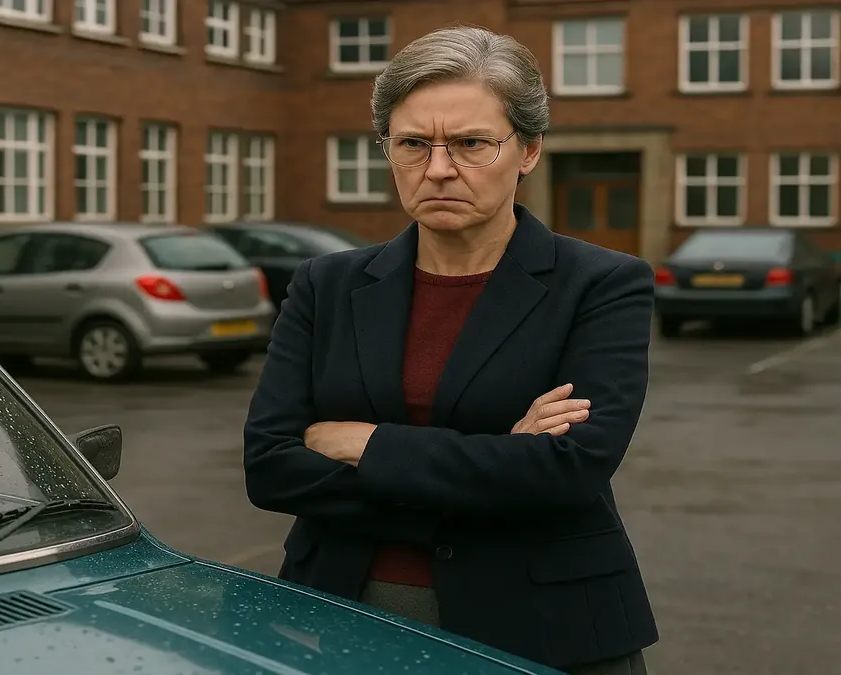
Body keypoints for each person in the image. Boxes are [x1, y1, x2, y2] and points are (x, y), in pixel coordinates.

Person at [242, 25, 658, 675]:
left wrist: (365, 443)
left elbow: (568, 470)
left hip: (546, 627)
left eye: (470, 143)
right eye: (413, 143)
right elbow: (270, 466)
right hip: (342, 613)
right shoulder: (326, 284)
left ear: (528, 150)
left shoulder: (601, 284)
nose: (438, 169)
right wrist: (499, 459)